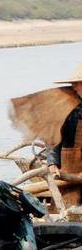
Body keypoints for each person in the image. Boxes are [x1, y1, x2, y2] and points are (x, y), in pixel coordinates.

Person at [11, 65, 82, 209]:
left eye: (77, 84)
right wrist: (52, 163)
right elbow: (52, 137)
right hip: (69, 166)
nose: (74, 87)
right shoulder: (66, 106)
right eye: (74, 84)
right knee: (68, 206)